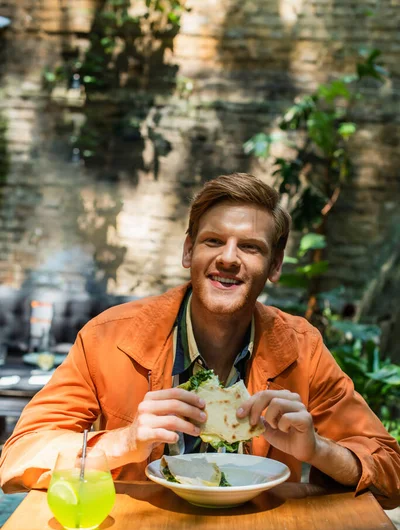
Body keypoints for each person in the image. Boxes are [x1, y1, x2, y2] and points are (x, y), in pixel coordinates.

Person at [1, 173, 399, 509]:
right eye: (213, 241)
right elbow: (18, 458)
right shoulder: (110, 336)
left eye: (250, 247)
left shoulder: (301, 347)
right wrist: (125, 442)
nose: (228, 258)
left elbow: (390, 472)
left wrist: (317, 450)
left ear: (274, 265)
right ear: (188, 250)